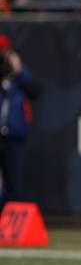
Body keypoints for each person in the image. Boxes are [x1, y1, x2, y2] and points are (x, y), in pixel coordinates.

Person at [0, 34, 41, 211]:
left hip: (14, 135)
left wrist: (19, 70)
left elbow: (36, 91)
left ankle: (10, 227)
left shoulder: (18, 77)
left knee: (14, 184)